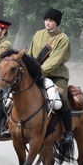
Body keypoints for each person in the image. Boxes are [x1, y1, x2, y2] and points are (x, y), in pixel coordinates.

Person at [27, 8, 74, 145]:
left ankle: (68, 133)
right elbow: (30, 55)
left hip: (56, 75)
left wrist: (37, 71)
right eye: (46, 20)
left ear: (57, 23)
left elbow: (55, 61)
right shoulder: (37, 34)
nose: (47, 23)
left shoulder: (63, 39)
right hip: (36, 73)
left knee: (62, 99)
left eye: (51, 21)